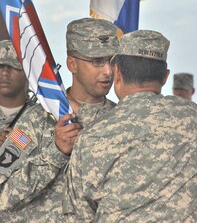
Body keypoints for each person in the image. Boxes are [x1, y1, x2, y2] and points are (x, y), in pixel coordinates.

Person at [63, 30, 197, 222]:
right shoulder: (192, 117)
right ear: (166, 76)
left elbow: (77, 215)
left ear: (116, 72)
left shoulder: (92, 135)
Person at [0, 18, 119, 222]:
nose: (108, 71)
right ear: (72, 63)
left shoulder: (122, 120)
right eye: (97, 61)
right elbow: (3, 195)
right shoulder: (37, 119)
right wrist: (56, 152)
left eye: (113, 61)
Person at [0, 39, 81, 222]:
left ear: (29, 73)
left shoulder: (47, 116)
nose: (5, 73)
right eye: (1, 66)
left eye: (14, 67)